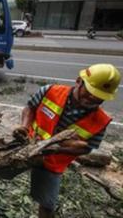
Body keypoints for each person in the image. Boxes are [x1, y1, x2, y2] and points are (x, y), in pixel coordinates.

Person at [13, 63, 120, 218]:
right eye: (90, 92)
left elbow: (87, 148)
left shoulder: (101, 121)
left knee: (48, 205)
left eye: (100, 97)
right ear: (78, 81)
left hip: (52, 162)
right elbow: (30, 107)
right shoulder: (51, 91)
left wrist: (59, 149)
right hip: (26, 146)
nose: (93, 98)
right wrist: (24, 127)